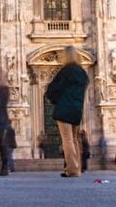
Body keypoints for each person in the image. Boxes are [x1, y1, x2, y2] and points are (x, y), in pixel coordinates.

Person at [45, 46, 89, 178]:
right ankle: (78, 168)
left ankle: (71, 169)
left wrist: (53, 98)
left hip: (64, 108)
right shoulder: (82, 73)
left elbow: (54, 88)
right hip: (77, 109)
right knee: (75, 140)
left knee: (67, 139)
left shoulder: (66, 71)